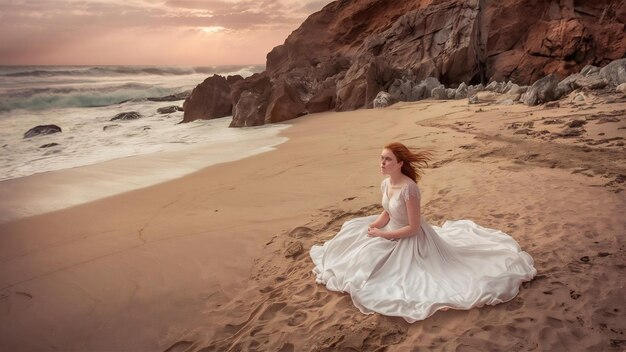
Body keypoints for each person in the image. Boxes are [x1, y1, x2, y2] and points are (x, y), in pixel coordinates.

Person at [310, 142, 536, 322]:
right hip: (390, 230)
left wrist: (383, 235)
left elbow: (413, 228)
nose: (382, 163)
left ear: (400, 163)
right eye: (381, 158)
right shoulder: (386, 184)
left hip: (411, 239)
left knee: (401, 276)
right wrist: (375, 227)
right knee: (354, 235)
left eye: (387, 159)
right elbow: (387, 213)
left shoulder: (410, 189)